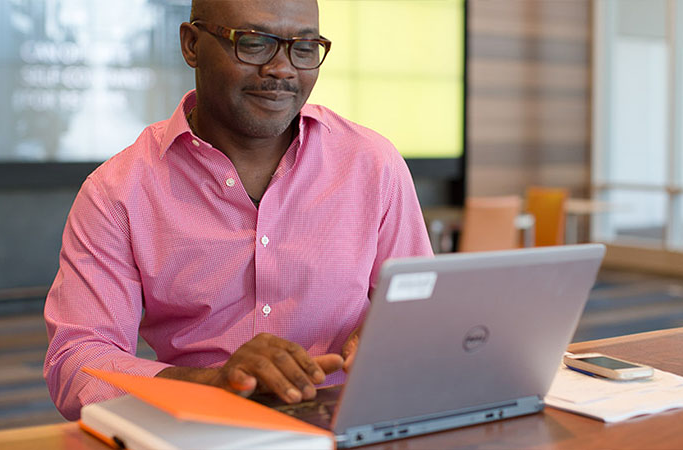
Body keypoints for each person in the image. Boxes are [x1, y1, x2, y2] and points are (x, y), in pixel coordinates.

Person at [44, 0, 432, 420]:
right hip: (200, 430)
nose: (282, 69)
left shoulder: (371, 163)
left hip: (349, 425)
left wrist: (391, 329)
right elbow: (76, 360)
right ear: (191, 44)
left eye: (303, 48)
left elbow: (423, 300)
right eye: (254, 43)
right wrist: (213, 384)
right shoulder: (117, 191)